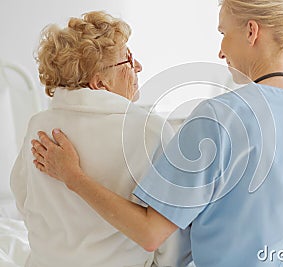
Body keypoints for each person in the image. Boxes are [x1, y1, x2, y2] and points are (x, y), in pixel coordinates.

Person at [31, 1, 283, 266]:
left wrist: (74, 177)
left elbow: (151, 234)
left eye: (223, 33)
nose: (221, 51)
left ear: (251, 32)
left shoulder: (218, 117)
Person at [11, 11, 191, 267]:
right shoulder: (149, 130)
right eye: (127, 59)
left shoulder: (39, 126)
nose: (138, 66)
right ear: (99, 82)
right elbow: (170, 241)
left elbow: (23, 201)